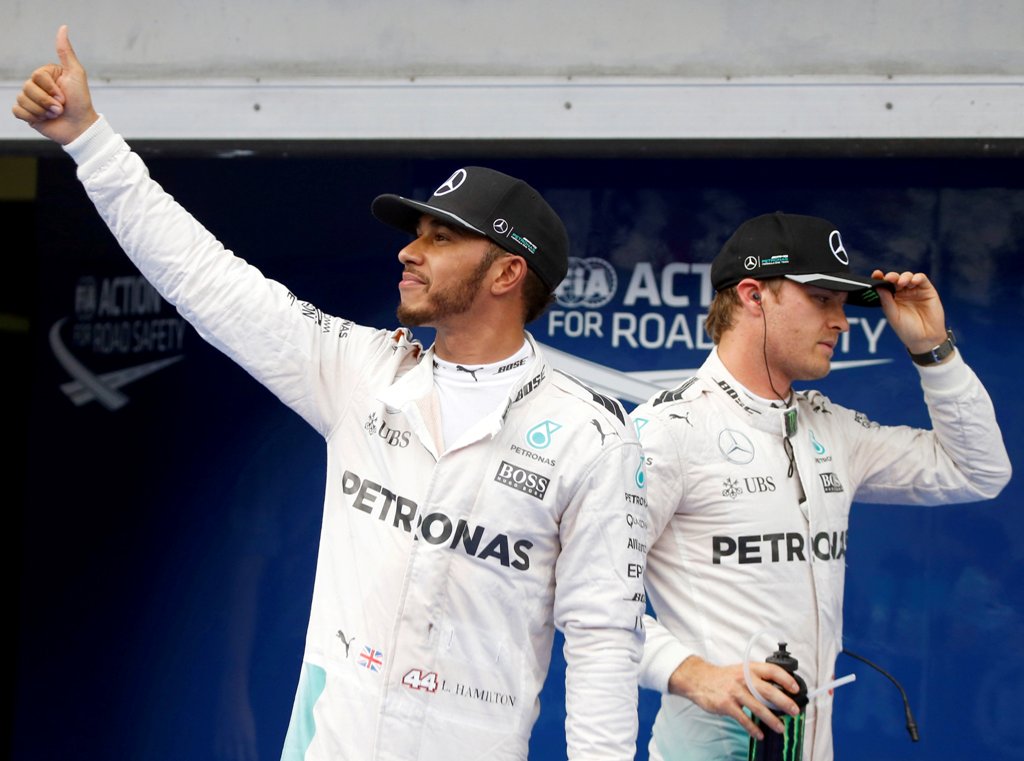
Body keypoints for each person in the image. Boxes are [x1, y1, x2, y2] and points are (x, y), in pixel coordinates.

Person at [13, 26, 649, 761]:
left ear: (508, 273)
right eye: (416, 232)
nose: (410, 249)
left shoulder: (589, 435)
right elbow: (203, 276)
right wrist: (86, 140)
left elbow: (604, 640)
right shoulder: (362, 371)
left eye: (443, 237)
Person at [629, 211, 1011, 761]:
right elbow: (585, 593)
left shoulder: (830, 428)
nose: (842, 322)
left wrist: (934, 351)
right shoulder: (669, 430)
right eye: (823, 299)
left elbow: (978, 470)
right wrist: (689, 672)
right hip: (707, 747)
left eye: (842, 303)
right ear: (753, 295)